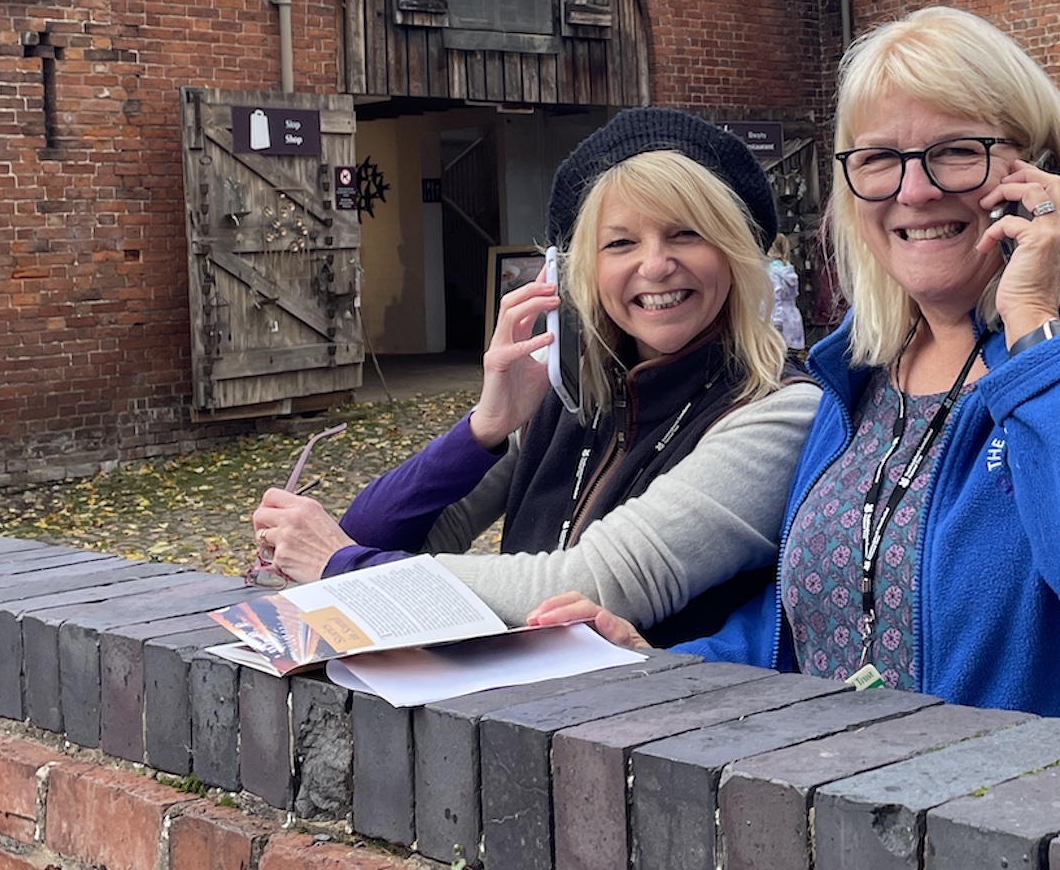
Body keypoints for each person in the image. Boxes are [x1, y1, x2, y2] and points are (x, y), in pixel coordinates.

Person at [535, 9, 1060, 744]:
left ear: (1040, 173)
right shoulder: (859, 369)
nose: (914, 190)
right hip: (868, 797)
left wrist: (1035, 322)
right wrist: (667, 665)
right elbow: (825, 619)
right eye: (878, 159)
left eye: (956, 151)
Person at [250, 109, 822, 646]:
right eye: (620, 243)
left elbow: (590, 586)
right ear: (582, 272)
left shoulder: (779, 411)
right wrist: (483, 430)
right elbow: (371, 534)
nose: (654, 265)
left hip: (673, 715)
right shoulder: (574, 396)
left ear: (735, 253)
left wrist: (343, 570)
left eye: (686, 234)